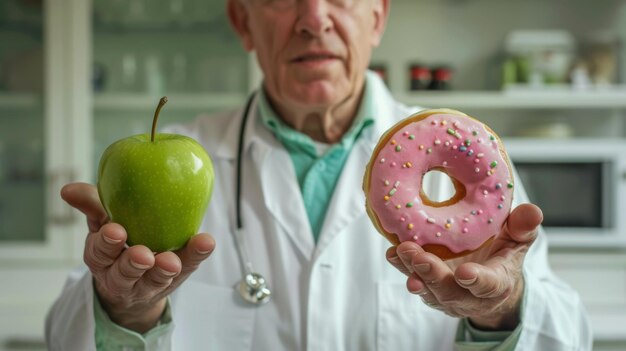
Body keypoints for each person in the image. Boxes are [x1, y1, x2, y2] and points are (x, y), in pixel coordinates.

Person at [46, 0, 592, 350]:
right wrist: (124, 307)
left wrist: (500, 310)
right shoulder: (186, 160)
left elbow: (565, 335)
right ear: (243, 22)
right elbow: (63, 337)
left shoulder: (484, 166)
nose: (314, 18)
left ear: (378, 16)